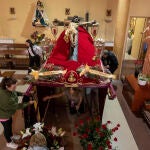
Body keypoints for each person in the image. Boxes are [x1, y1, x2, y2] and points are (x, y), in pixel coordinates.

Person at [0, 77, 34, 149]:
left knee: (9, 123)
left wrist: (24, 94)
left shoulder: (8, 89)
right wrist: (28, 103)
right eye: (13, 87)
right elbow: (17, 106)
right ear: (7, 86)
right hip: (3, 115)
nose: (15, 88)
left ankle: (11, 135)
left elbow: (15, 92)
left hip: (7, 113)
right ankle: (8, 142)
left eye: (15, 85)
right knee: (6, 128)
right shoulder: (6, 98)